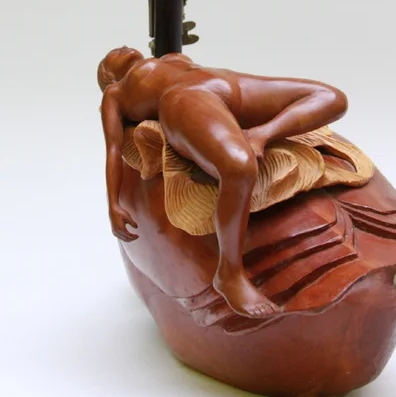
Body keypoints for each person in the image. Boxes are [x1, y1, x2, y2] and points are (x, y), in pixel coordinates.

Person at [98, 46, 348, 318]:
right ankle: (229, 273)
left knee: (331, 97)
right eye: (112, 56)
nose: (122, 47)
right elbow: (113, 149)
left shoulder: (169, 58)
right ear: (109, 76)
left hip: (227, 82)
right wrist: (113, 204)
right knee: (239, 168)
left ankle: (262, 134)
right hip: (184, 99)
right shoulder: (115, 93)